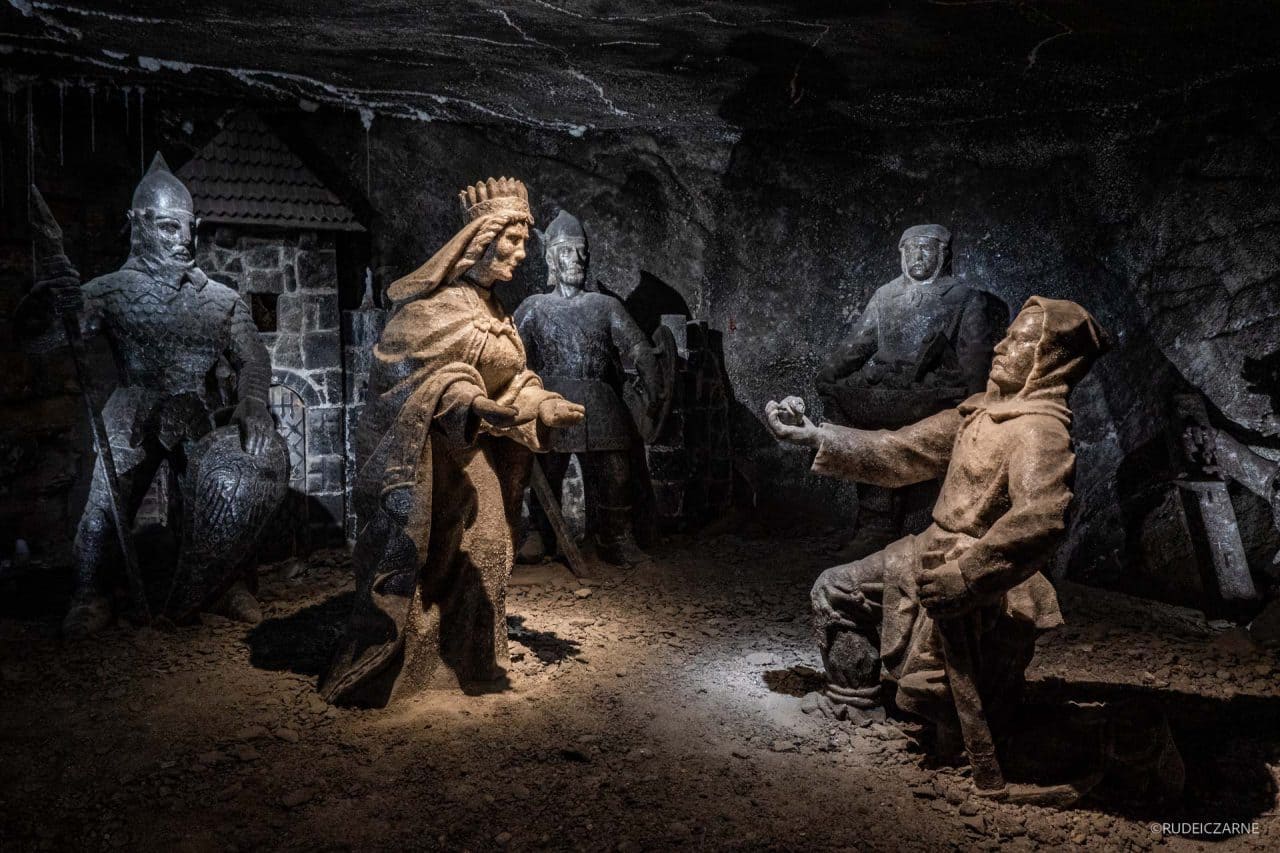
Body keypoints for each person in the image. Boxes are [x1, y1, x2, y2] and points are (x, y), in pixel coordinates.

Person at [767, 297, 1107, 747]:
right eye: (1006, 337)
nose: (1002, 347)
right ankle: (853, 700)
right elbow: (900, 451)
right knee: (836, 590)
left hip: (984, 573)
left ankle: (982, 728)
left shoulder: (1039, 433)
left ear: (1049, 360)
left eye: (1020, 341)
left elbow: (1040, 519)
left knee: (952, 706)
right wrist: (815, 436)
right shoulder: (980, 412)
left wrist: (967, 575)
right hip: (929, 550)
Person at [321, 177, 584, 706]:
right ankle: (409, 671)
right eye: (512, 241)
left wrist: (541, 405)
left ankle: (470, 663)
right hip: (426, 461)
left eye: (524, 242)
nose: (521, 253)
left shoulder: (497, 311)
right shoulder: (427, 313)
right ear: (480, 241)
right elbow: (408, 381)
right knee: (431, 562)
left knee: (489, 546)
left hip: (473, 452)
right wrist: (467, 400)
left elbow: (511, 382)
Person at [16, 155, 277, 636]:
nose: (183, 240)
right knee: (104, 511)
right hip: (132, 412)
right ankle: (90, 591)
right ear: (140, 226)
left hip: (195, 411)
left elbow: (253, 359)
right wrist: (45, 304)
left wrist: (253, 401)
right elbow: (47, 338)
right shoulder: (111, 291)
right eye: (168, 228)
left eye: (188, 228)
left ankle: (223, 584)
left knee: (216, 502)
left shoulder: (221, 301)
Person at [815, 225, 1006, 558]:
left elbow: (974, 354)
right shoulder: (886, 295)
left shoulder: (963, 297)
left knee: (934, 441)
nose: (918, 255)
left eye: (926, 248)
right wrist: (829, 374)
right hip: (887, 390)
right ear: (901, 254)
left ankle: (930, 531)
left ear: (943, 255)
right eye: (911, 248)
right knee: (868, 438)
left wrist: (976, 400)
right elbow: (859, 343)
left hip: (934, 395)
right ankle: (876, 525)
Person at [514, 210, 663, 564]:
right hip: (550, 399)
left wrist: (653, 382)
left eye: (581, 251)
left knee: (615, 473)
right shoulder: (534, 307)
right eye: (567, 251)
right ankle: (540, 535)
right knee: (546, 470)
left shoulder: (605, 306)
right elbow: (511, 353)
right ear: (551, 258)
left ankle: (616, 537)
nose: (577, 258)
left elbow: (637, 346)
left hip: (600, 403)